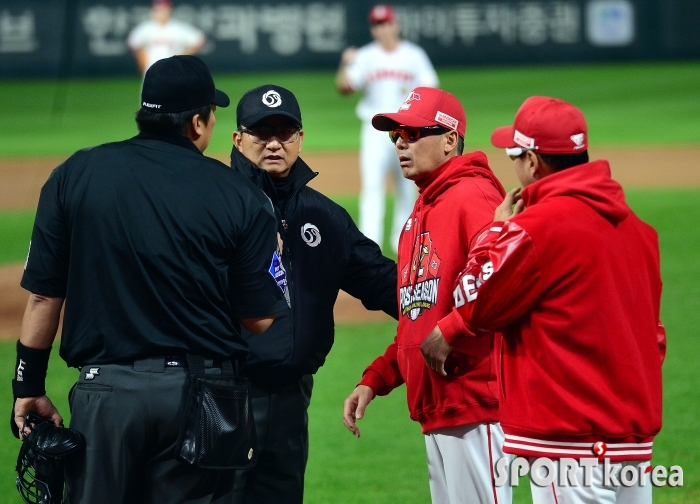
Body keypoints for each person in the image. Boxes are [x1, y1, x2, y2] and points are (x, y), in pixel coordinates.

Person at [11, 55, 288, 504]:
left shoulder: (74, 175)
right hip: (203, 399)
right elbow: (259, 319)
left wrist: (28, 388)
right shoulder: (239, 193)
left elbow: (43, 297)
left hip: (105, 395)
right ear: (198, 122)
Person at [446, 96, 665, 503]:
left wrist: (493, 235)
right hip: (632, 442)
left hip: (566, 440)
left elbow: (472, 302)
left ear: (532, 162)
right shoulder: (640, 232)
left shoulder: (533, 229)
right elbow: (654, 337)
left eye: (514, 154)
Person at [229, 84, 398, 504]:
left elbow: (380, 281)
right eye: (260, 133)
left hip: (290, 398)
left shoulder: (323, 215)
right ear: (238, 139)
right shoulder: (216, 207)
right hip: (225, 395)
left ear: (300, 138)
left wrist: (455, 305)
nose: (273, 143)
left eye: (285, 133)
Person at [343, 87, 511, 504]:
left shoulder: (474, 198)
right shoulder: (419, 214)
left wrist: (453, 330)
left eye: (413, 133)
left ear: (450, 139)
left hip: (475, 401)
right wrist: (378, 377)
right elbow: (419, 316)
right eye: (395, 134)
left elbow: (505, 279)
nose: (401, 141)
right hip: (439, 406)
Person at [335, 4, 438, 253]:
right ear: (373, 29)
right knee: (372, 187)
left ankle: (403, 242)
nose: (383, 29)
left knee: (408, 186)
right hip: (375, 130)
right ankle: (370, 244)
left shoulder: (414, 55)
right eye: (377, 25)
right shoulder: (365, 56)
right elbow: (344, 88)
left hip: (408, 130)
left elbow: (431, 89)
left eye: (386, 23)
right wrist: (345, 65)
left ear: (395, 24)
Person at [127, 0, 206, 74]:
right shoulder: (146, 28)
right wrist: (141, 56)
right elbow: (132, 43)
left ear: (170, 10)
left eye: (164, 10)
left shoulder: (178, 28)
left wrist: (183, 56)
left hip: (175, 71)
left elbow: (200, 41)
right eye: (158, 9)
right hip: (151, 71)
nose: (161, 13)